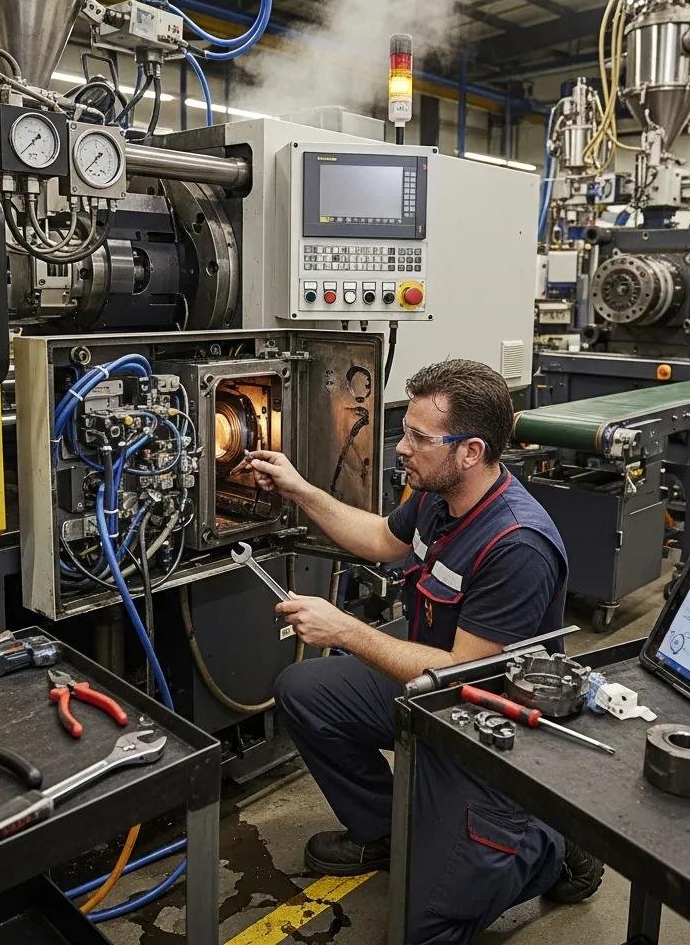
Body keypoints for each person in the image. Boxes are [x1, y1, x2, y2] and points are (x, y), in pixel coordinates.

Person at [247, 359, 603, 945]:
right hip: (425, 688)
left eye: (418, 437)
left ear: (471, 452)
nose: (401, 447)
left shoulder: (517, 544)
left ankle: (553, 848)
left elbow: (465, 671)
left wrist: (345, 631)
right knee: (305, 692)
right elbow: (380, 539)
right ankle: (389, 831)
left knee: (426, 929)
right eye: (405, 431)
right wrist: (300, 489)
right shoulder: (439, 498)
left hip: (486, 724)